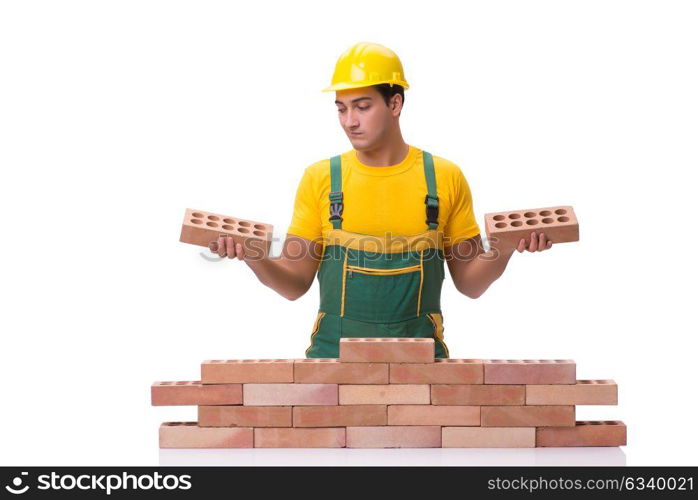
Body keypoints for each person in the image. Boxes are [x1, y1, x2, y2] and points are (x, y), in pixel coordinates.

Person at [210, 41, 552, 358]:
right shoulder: (322, 179)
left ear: (395, 103)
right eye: (341, 108)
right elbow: (294, 284)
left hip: (421, 373)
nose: (349, 121)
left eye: (362, 107)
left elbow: (470, 284)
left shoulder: (443, 177)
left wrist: (505, 248)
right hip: (333, 367)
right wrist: (253, 257)